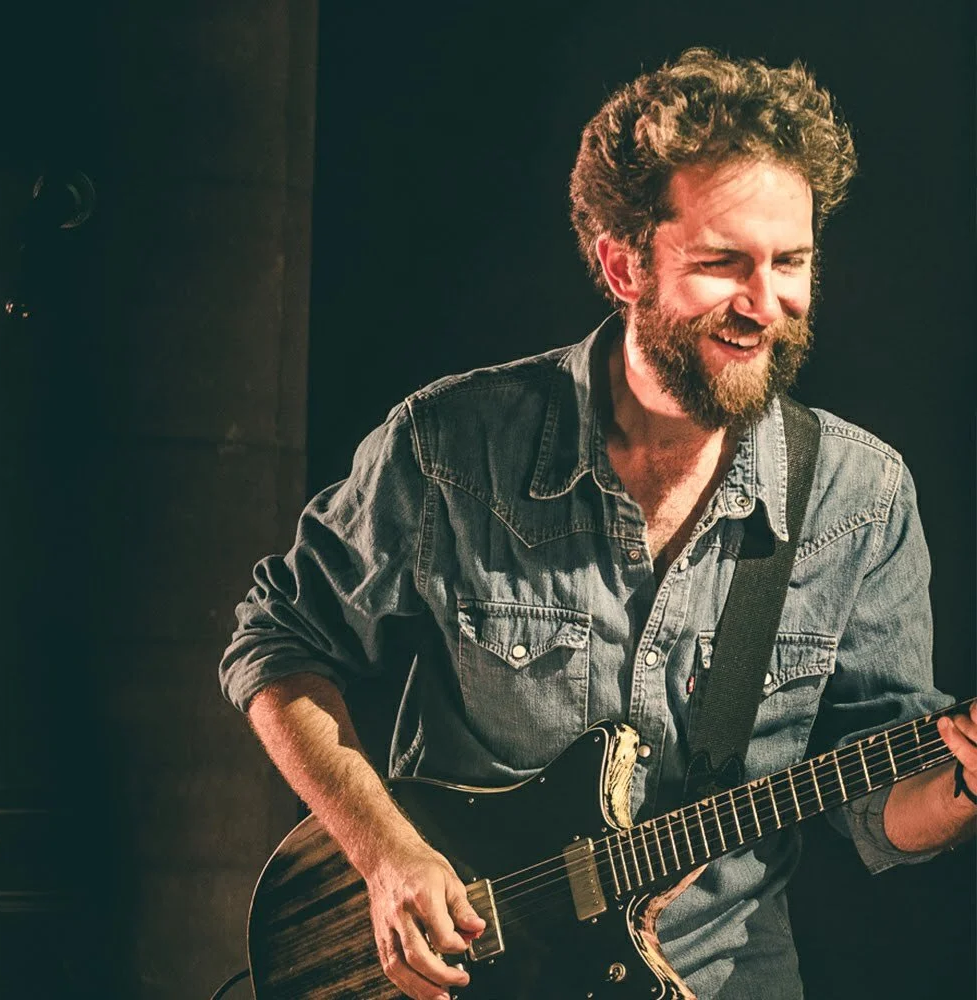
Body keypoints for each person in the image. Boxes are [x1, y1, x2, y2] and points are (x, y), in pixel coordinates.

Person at [219, 48, 977, 999]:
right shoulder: (455, 445)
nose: (767, 303)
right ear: (624, 264)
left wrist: (963, 787)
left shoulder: (858, 496)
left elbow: (881, 806)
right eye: (722, 263)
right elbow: (275, 640)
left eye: (792, 262)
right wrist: (385, 854)